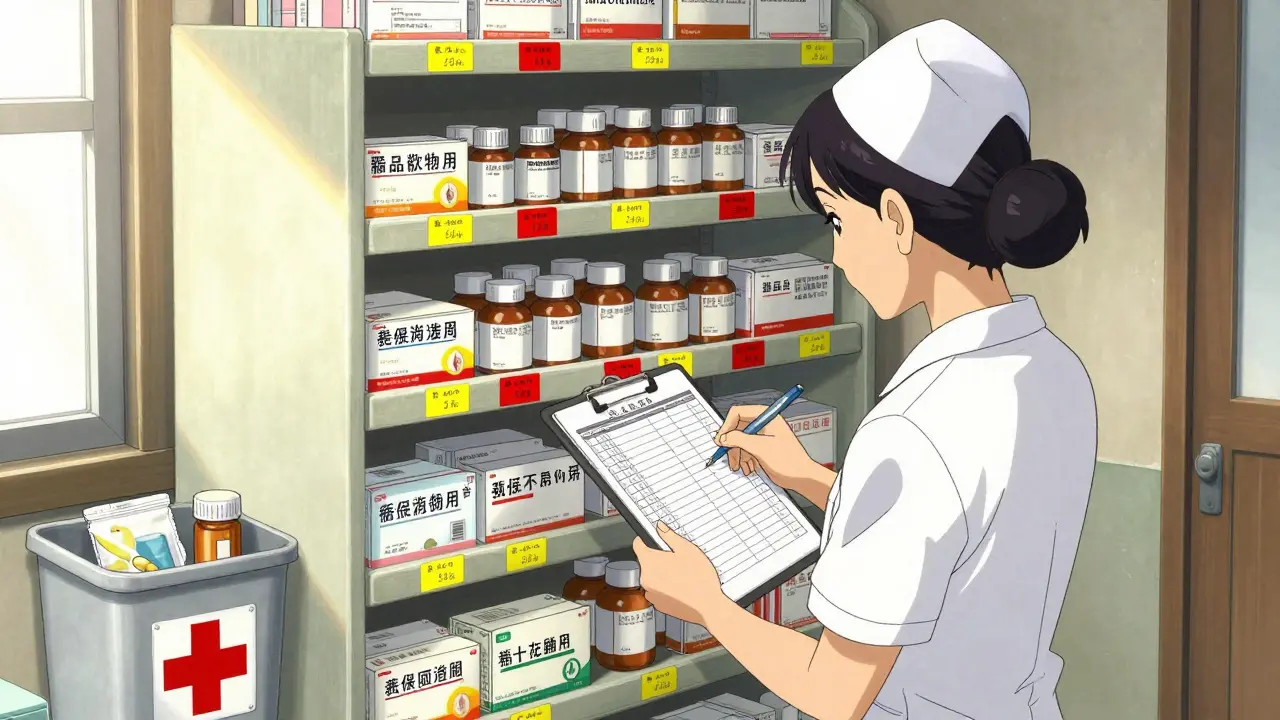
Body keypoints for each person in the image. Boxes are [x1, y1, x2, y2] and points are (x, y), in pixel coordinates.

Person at [632, 18, 1097, 720]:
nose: (837, 255)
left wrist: (707, 603)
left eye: (838, 220)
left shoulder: (916, 427)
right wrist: (811, 479)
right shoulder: (1053, 368)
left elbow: (833, 692)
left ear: (898, 219)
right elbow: (954, 539)